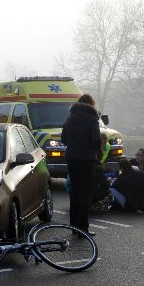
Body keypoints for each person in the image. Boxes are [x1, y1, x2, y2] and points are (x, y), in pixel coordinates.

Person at [62, 94, 101, 233]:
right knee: (86, 194)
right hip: (87, 161)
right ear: (91, 104)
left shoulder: (70, 118)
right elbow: (96, 140)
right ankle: (83, 228)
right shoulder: (92, 118)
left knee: (75, 193)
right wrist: (97, 150)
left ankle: (74, 227)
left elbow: (64, 139)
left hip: (72, 159)